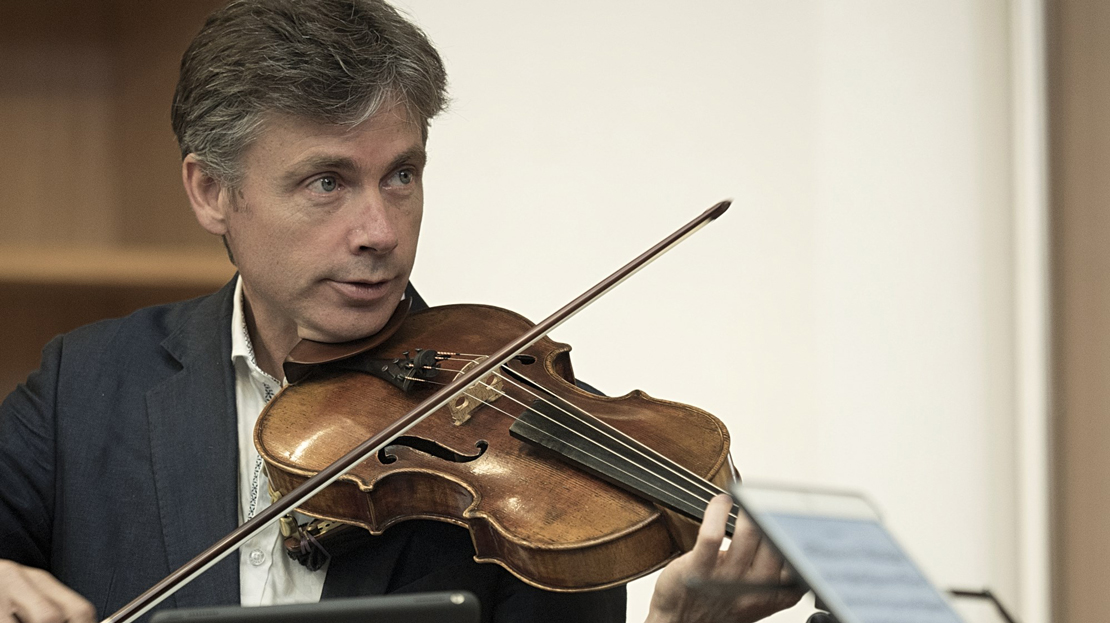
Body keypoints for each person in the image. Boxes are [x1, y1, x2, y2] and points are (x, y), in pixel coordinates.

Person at [0, 1, 803, 622]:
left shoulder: (527, 449)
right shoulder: (86, 385)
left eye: (402, 176)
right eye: (327, 182)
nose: (380, 232)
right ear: (213, 191)